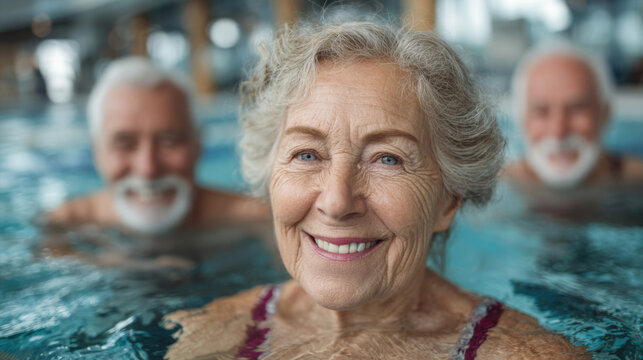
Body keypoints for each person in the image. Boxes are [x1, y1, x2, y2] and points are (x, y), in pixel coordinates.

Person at [163, 22, 587, 359]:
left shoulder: (525, 354)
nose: (336, 201)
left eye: (388, 159)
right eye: (307, 154)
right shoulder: (212, 332)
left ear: (449, 199)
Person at [47, 57, 269, 235]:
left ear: (198, 145)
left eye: (169, 141)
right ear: (97, 152)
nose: (148, 168)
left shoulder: (258, 220)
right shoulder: (64, 225)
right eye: (124, 144)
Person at [504, 44, 643, 189]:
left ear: (605, 114)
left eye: (577, 109)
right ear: (521, 118)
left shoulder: (637, 180)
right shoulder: (495, 185)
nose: (558, 132)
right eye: (542, 112)